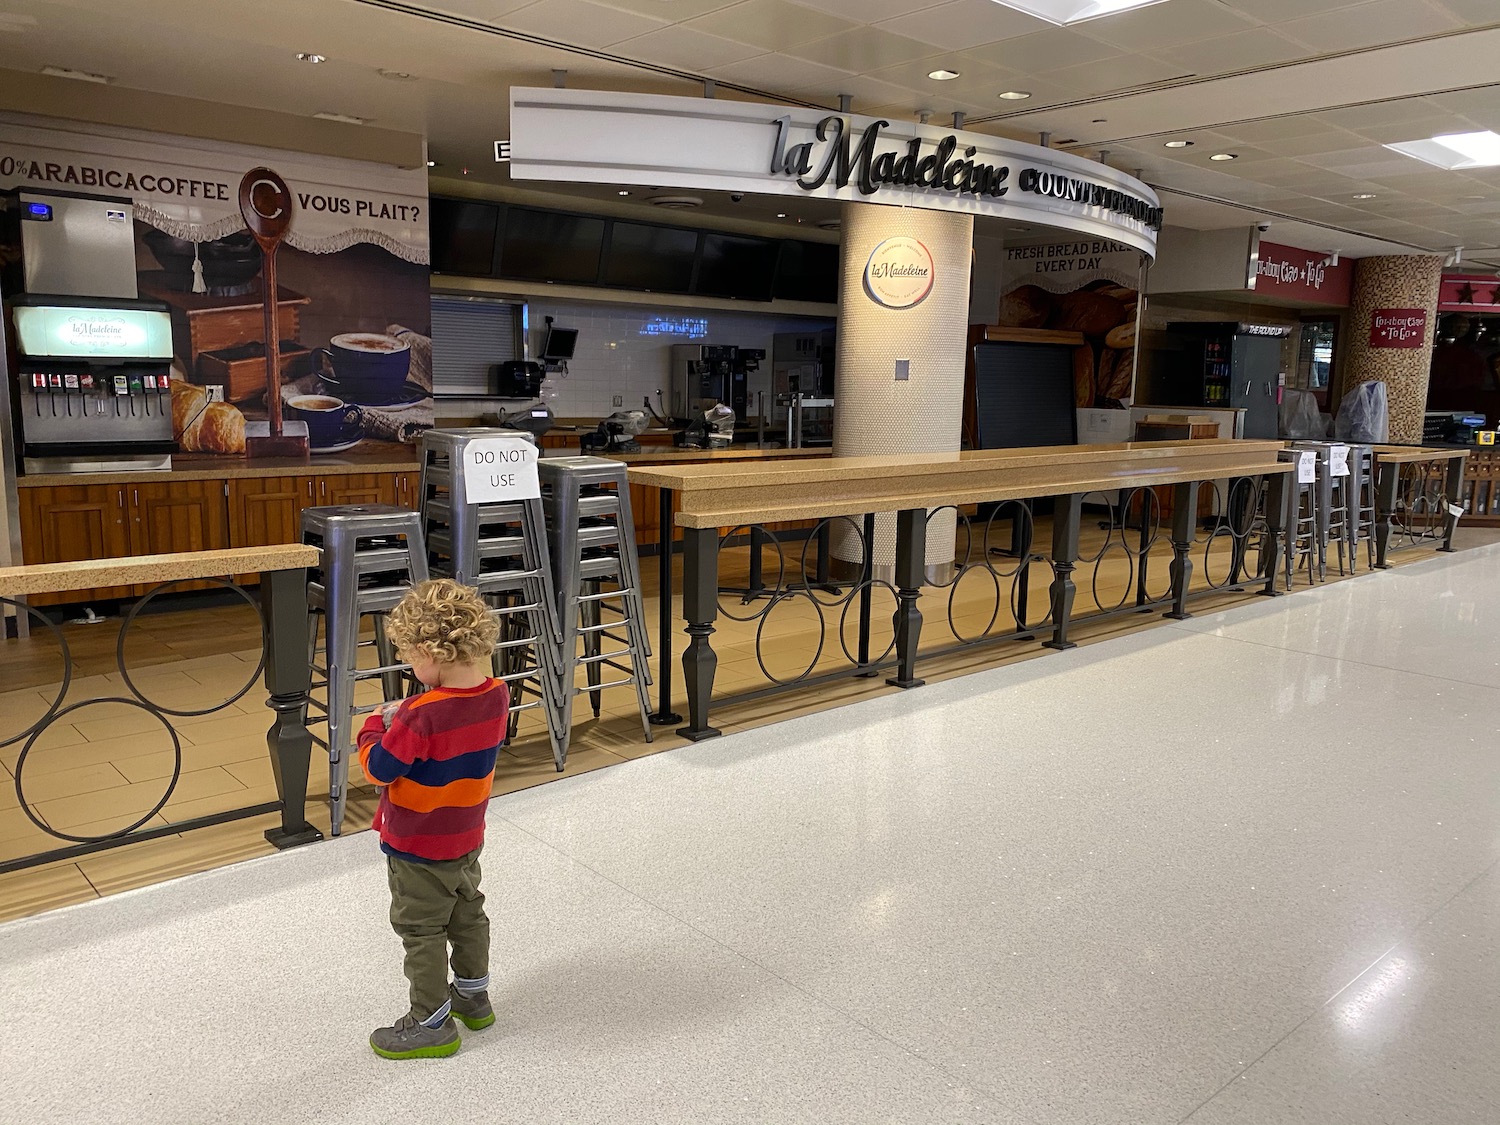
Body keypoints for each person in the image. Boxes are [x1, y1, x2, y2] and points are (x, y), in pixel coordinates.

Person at [357, 578, 510, 1059]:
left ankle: (430, 1021)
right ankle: (473, 996)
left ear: (429, 650)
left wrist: (371, 728)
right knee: (468, 914)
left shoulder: (417, 714)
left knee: (421, 930)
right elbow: (456, 734)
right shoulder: (497, 695)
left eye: (409, 656)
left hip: (417, 846)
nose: (408, 665)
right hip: (466, 836)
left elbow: (380, 769)